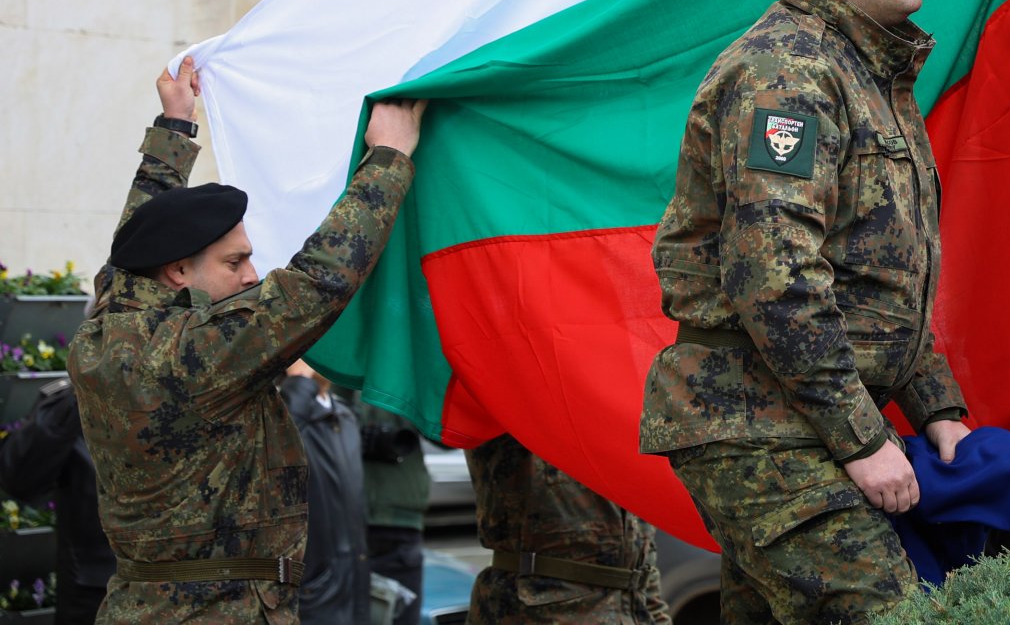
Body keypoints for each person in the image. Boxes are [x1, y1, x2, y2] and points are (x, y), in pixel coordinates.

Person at [641, 0, 971, 623]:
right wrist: (863, 440)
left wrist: (937, 407)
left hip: (794, 420)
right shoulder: (785, 75)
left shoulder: (863, 71)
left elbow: (880, 275)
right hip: (762, 426)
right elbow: (777, 277)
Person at [68, 57, 426, 624]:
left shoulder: (109, 324)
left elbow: (139, 236)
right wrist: (388, 159)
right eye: (236, 261)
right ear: (178, 272)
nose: (252, 275)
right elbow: (318, 282)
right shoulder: (196, 353)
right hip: (217, 611)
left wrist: (176, 127)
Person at [464, 433, 669, 624]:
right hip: (538, 611)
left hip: (629, 612)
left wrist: (657, 616)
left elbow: (639, 560)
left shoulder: (621, 425)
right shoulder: (519, 407)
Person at [0, 375, 115, 623]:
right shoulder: (75, 399)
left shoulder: (196, 387)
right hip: (95, 591)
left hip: (182, 586)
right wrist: (81, 392)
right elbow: (20, 478)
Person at [282, 361, 369, 624]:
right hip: (315, 592)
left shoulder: (344, 414)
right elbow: (278, 454)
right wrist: (298, 381)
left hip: (354, 585)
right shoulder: (285, 412)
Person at [346, 395, 430, 625]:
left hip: (396, 522)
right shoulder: (336, 370)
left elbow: (448, 431)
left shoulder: (410, 369)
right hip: (350, 519)